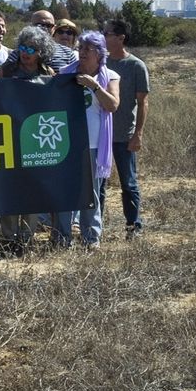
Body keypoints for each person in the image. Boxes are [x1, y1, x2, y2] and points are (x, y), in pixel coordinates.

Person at [0, 27, 59, 253]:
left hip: (35, 140)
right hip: (9, 138)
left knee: (31, 190)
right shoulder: (8, 70)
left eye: (31, 49)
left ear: (41, 51)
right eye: (22, 47)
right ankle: (8, 238)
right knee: (10, 188)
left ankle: (26, 238)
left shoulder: (48, 73)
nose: (26, 52)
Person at [58, 31, 120, 247]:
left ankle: (91, 238)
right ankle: (61, 238)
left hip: (94, 144)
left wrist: (93, 86)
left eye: (88, 49)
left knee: (90, 194)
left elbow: (112, 105)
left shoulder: (109, 76)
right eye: (81, 48)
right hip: (67, 143)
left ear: (99, 54)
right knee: (65, 190)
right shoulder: (65, 75)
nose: (82, 53)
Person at [103, 18, 149, 238]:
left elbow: (143, 102)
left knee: (128, 183)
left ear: (121, 37)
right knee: (99, 183)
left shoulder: (136, 66)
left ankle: (133, 225)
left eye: (108, 34)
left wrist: (137, 134)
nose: (104, 37)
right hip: (101, 135)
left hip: (124, 135)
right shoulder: (100, 62)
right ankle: (96, 226)